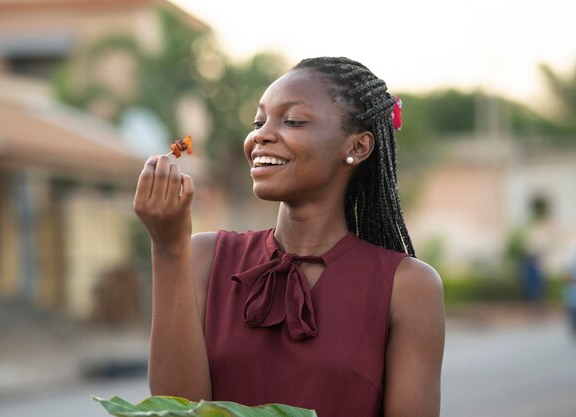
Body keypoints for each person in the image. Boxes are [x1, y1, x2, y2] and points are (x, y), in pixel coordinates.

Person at [133, 56, 445, 417]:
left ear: (357, 147)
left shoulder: (408, 286)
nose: (261, 135)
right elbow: (178, 409)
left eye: (293, 121)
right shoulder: (203, 256)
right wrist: (168, 249)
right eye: (259, 121)